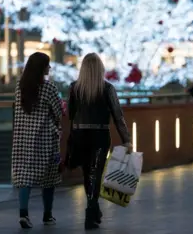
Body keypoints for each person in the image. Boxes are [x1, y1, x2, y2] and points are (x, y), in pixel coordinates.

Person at [67, 53, 131, 230]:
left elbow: (71, 114)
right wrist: (127, 139)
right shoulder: (107, 88)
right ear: (100, 69)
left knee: (88, 173)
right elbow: (118, 116)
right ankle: (91, 210)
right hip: (100, 134)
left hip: (80, 134)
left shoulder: (74, 88)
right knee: (97, 172)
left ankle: (93, 209)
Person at [11, 52, 63, 229]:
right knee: (49, 177)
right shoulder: (49, 87)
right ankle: (47, 215)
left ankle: (23, 214)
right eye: (47, 65)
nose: (49, 67)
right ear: (41, 67)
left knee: (24, 175)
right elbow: (58, 112)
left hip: (22, 138)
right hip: (45, 138)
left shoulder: (20, 86)